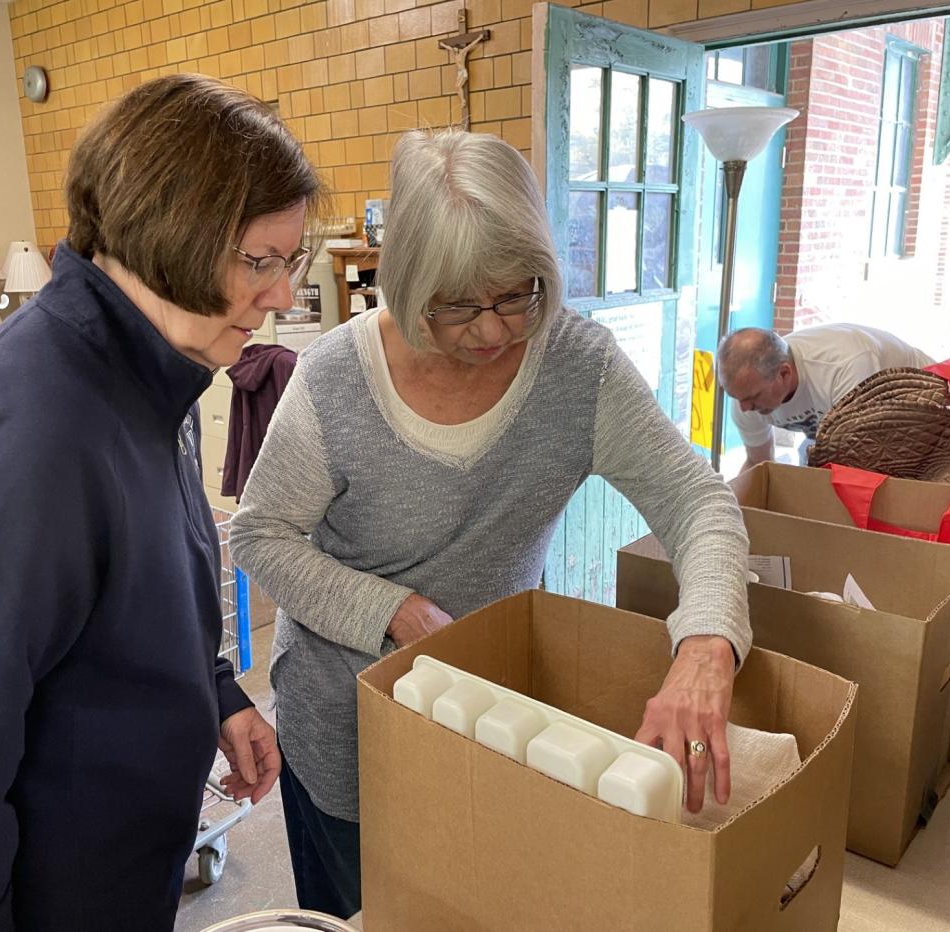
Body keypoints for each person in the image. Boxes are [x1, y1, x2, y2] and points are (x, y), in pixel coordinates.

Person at [227, 129, 752, 919]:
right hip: (347, 725)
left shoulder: (579, 368)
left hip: (493, 719)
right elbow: (260, 536)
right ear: (405, 283)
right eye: (457, 306)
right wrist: (394, 612)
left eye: (517, 295)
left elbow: (698, 501)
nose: (493, 332)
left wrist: (708, 641)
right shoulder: (336, 380)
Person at [0, 75, 320, 930]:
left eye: (288, 263)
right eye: (259, 262)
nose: (283, 295)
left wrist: (215, 693)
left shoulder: (150, 369)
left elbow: (131, 592)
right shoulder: (36, 440)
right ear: (166, 237)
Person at [717, 323, 934, 473]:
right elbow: (758, 464)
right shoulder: (746, 398)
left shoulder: (844, 370)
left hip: (924, 400)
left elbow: (866, 463)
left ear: (784, 373)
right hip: (851, 423)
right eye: (736, 397)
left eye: (753, 397)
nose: (744, 407)